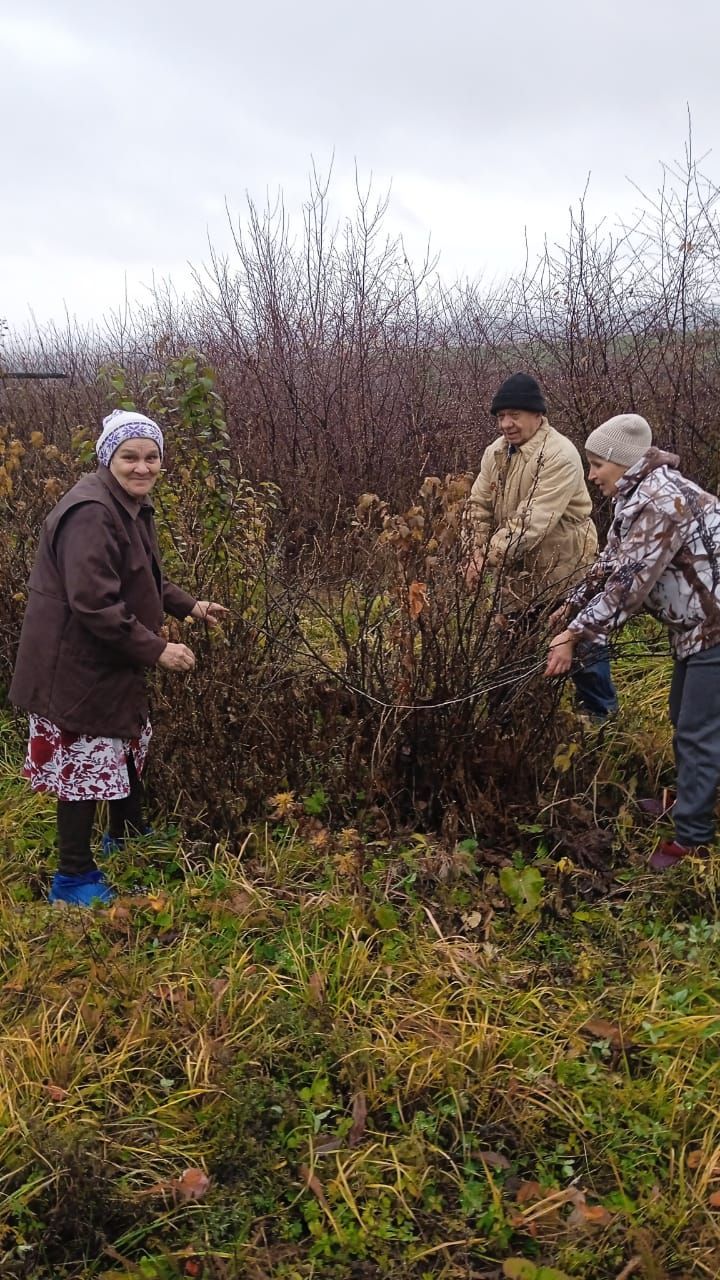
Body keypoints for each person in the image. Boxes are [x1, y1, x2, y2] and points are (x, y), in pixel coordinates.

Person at [9, 409, 227, 905]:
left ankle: (126, 833)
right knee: (84, 765)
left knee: (125, 741)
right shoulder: (91, 513)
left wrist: (188, 606)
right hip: (75, 665)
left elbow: (140, 575)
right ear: (108, 457)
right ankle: (73, 878)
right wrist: (158, 649)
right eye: (130, 456)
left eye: (152, 457)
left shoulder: (127, 504)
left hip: (103, 658)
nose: (142, 467)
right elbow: (94, 603)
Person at [546, 412, 720, 869]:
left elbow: (629, 587)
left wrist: (575, 635)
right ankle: (689, 802)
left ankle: (692, 840)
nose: (591, 474)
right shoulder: (640, 497)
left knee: (698, 731)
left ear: (622, 462)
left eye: (597, 464)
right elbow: (608, 566)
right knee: (683, 718)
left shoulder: (661, 503)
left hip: (714, 630)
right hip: (698, 628)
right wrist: (568, 610)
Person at [464, 372, 617, 720]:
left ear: (537, 415)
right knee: (510, 648)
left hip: (566, 566)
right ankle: (510, 721)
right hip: (517, 572)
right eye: (501, 416)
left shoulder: (559, 455)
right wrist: (473, 550)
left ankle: (600, 717)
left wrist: (486, 557)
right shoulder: (496, 452)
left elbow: (533, 521)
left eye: (514, 415)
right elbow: (478, 505)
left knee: (580, 643)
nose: (507, 424)